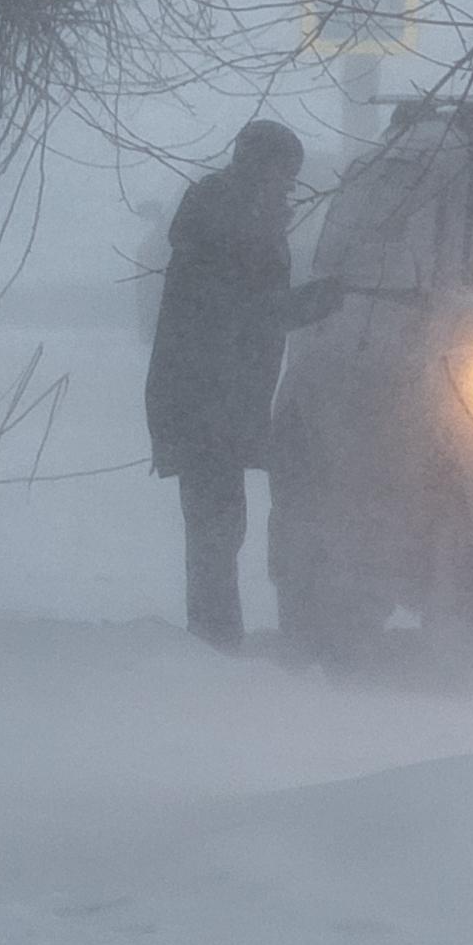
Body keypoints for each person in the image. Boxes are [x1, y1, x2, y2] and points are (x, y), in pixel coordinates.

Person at [145, 118, 346, 650]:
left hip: (211, 399)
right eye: (285, 176)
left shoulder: (226, 219)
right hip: (205, 400)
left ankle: (215, 637)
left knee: (219, 526)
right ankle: (215, 643)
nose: (289, 189)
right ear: (260, 169)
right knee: (217, 528)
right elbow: (240, 314)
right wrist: (313, 303)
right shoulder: (223, 227)